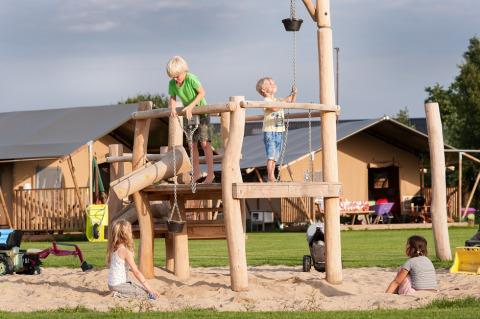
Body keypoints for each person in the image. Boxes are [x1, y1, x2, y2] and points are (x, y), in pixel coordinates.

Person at [166, 56, 214, 184]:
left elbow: (202, 93)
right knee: (191, 144)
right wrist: (173, 108)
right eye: (173, 76)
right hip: (190, 115)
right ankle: (196, 173)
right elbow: (172, 97)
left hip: (201, 112)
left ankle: (210, 174)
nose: (176, 78)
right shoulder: (172, 83)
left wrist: (190, 107)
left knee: (204, 143)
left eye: (178, 76)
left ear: (184, 71)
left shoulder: (191, 78)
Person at [106, 219, 161, 299]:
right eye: (130, 232)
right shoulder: (125, 251)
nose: (132, 234)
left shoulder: (114, 249)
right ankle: (116, 294)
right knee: (145, 294)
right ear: (125, 235)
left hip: (112, 284)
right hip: (118, 285)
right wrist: (150, 289)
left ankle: (116, 291)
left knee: (137, 285)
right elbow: (136, 272)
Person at [256, 77, 297, 182]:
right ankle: (271, 176)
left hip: (279, 132)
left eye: (274, 82)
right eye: (270, 83)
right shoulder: (267, 100)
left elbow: (291, 105)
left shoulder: (278, 100)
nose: (273, 84)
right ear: (264, 90)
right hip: (270, 131)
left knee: (275, 156)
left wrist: (293, 95)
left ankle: (272, 175)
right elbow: (274, 108)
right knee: (270, 155)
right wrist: (285, 100)